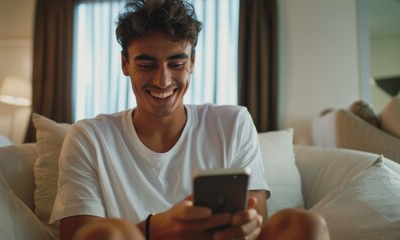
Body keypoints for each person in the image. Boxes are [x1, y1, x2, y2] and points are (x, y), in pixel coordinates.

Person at [49, 0, 330, 239]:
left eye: (177, 63)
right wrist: (157, 227)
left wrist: (243, 226)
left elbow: (255, 219)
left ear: (193, 63)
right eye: (146, 65)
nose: (163, 80)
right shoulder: (89, 137)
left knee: (305, 224)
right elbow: (81, 235)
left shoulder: (233, 122)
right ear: (125, 64)